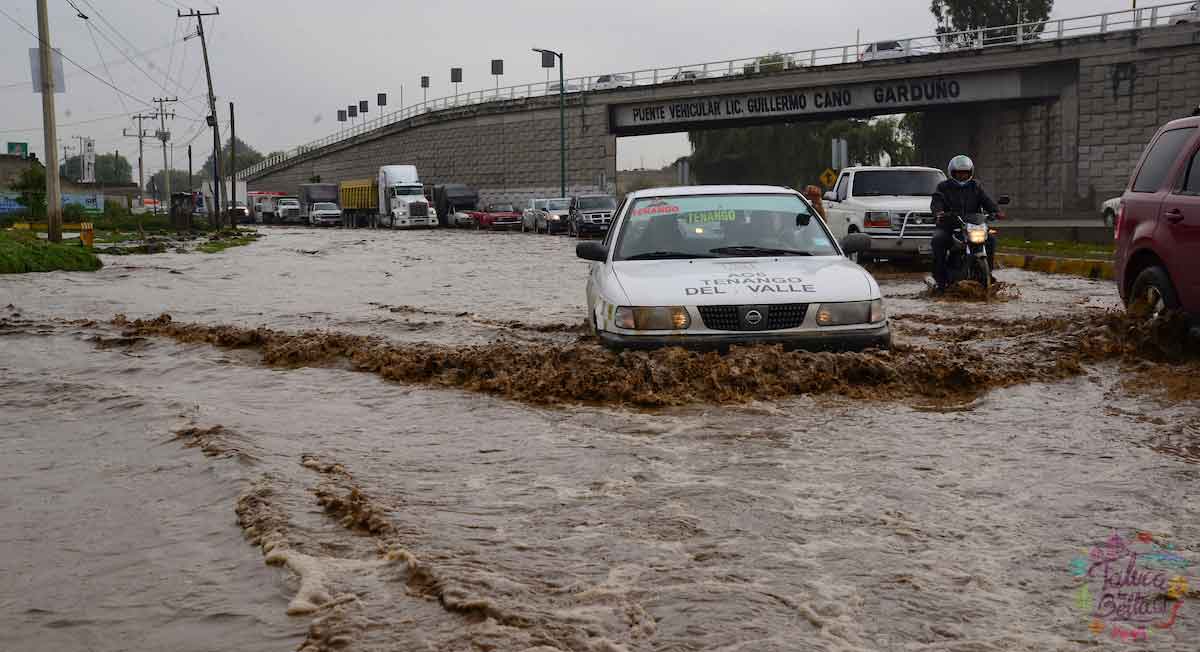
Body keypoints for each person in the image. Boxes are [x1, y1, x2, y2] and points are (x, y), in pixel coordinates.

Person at [929, 155, 1000, 291]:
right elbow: (936, 202)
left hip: (973, 225)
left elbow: (987, 201)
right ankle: (940, 279)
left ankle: (988, 273)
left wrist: (996, 211)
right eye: (959, 173)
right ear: (952, 173)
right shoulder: (943, 187)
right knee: (938, 240)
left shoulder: (976, 186)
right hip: (949, 225)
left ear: (970, 173)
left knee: (990, 239)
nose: (962, 176)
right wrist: (939, 213)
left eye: (965, 173)